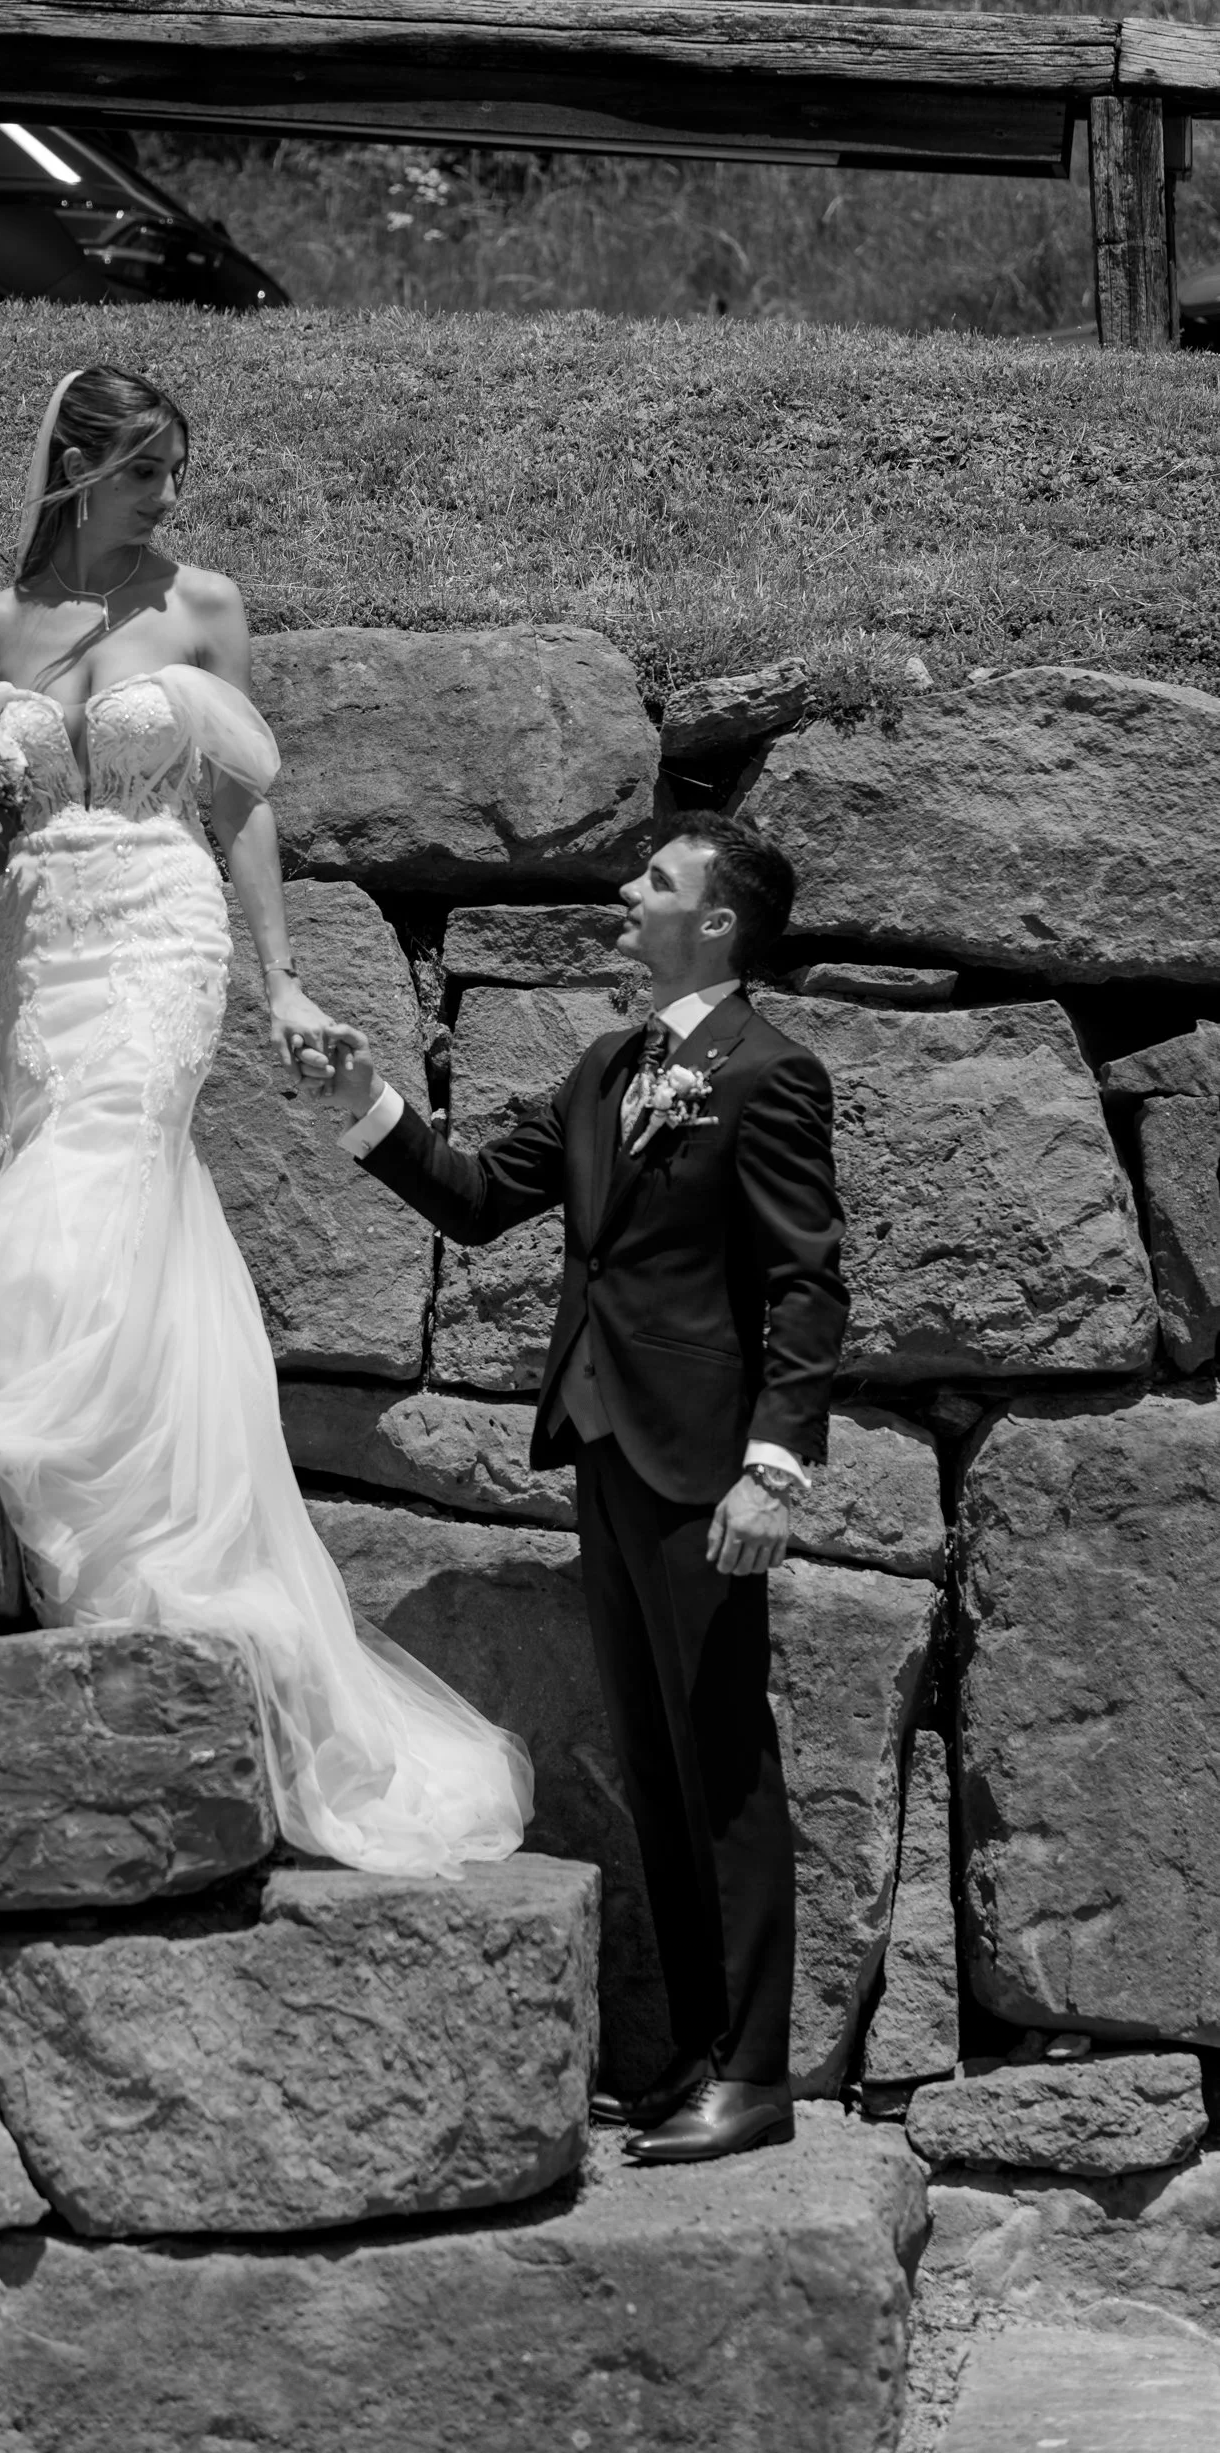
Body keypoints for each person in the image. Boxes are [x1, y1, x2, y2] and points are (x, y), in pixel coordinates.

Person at [0, 364, 532, 1880]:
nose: (167, 500)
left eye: (174, 472)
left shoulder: (204, 606)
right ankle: (123, 1493)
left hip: (157, 927)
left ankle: (25, 1422)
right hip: (33, 938)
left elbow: (242, 807)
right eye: (146, 473)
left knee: (107, 1148)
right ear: (77, 472)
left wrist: (284, 980)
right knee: (51, 1164)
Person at [325, 816, 848, 2161]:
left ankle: (755, 2074)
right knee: (657, 1767)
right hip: (607, 1449)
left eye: (656, 882)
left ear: (717, 923)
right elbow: (474, 1196)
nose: (627, 892)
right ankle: (690, 2054)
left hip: (702, 1465)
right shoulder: (607, 1065)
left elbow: (803, 1283)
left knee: (722, 1767)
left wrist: (772, 1468)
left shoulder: (766, 1076)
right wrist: (364, 1101)